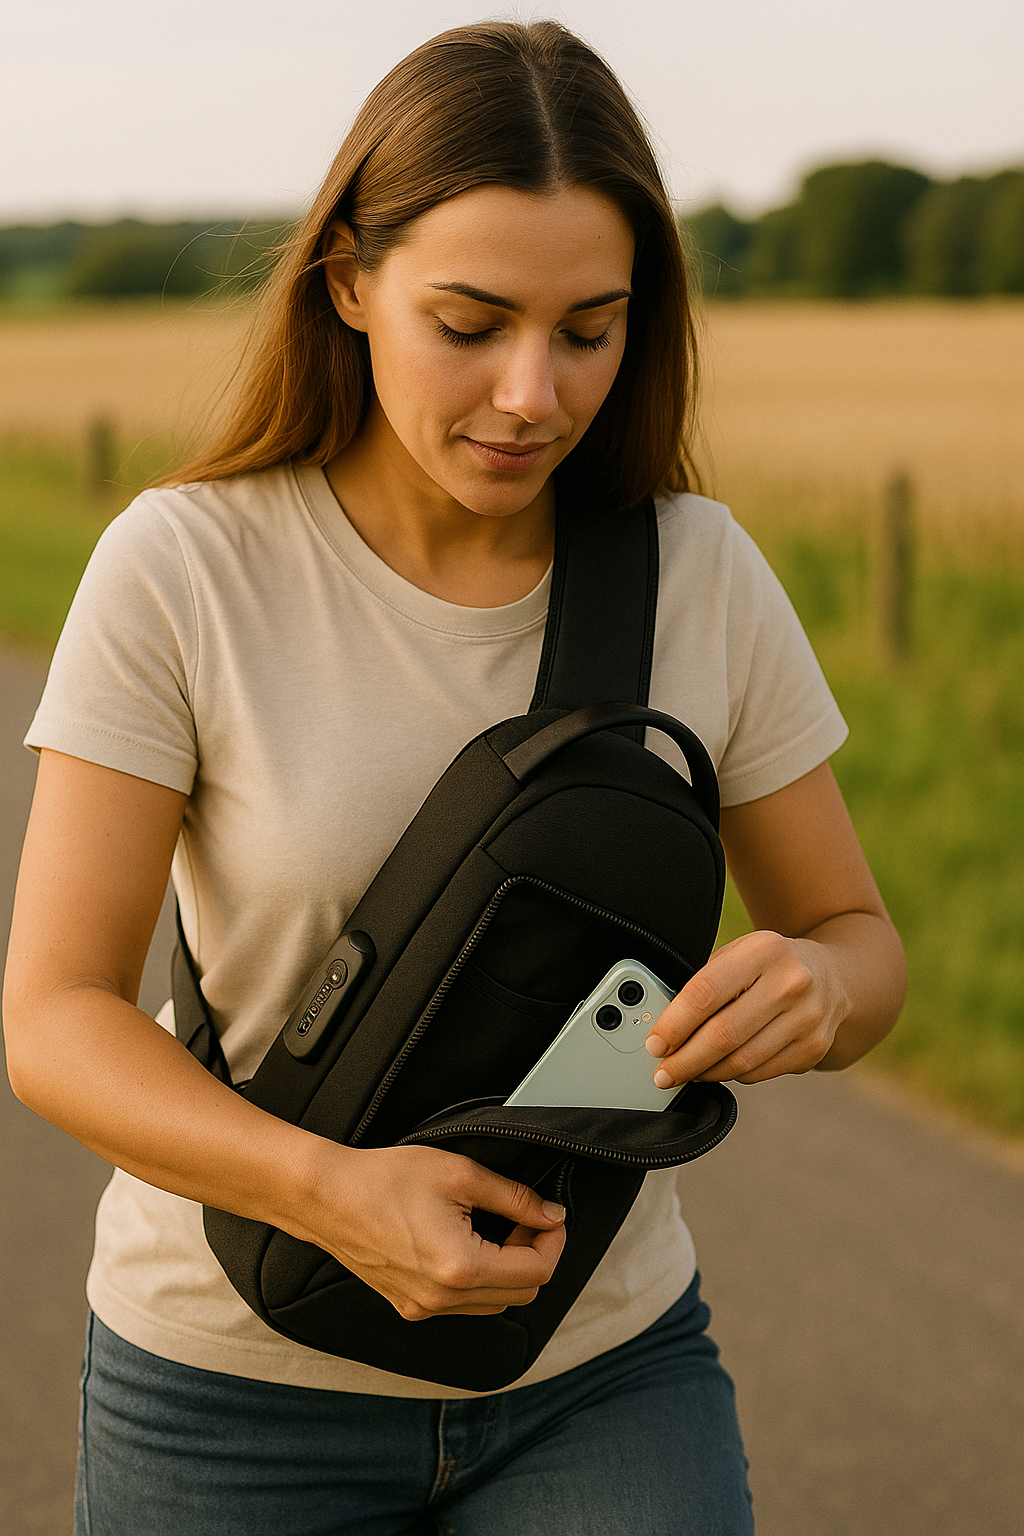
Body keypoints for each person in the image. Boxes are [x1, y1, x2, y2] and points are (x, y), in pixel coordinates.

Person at [2, 20, 906, 1535]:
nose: (534, 394)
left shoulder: (703, 574)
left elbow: (861, 945)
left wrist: (820, 993)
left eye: (590, 328)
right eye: (471, 322)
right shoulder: (186, 567)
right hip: (229, 1392)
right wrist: (330, 1195)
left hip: (601, 1376)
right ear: (348, 282)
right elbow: (53, 1021)